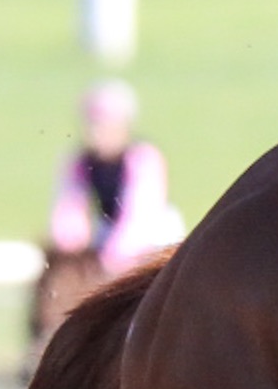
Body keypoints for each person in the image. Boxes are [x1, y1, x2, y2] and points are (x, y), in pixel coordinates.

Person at [48, 78, 185, 276]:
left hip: (154, 236)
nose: (94, 133)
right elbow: (70, 208)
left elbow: (139, 217)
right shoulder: (80, 162)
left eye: (103, 125)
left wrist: (111, 261)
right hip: (109, 233)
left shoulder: (143, 159)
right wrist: (70, 252)